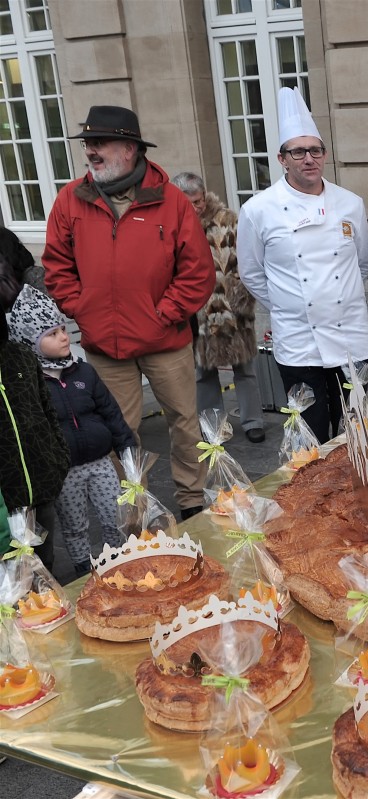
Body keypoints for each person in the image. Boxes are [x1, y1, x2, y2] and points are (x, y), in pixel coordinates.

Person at [42, 106, 215, 519]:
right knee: (119, 434)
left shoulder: (172, 200)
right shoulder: (71, 199)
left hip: (165, 340)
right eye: (87, 143)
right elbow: (56, 266)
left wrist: (163, 314)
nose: (91, 150)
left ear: (130, 148)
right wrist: (83, 310)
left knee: (184, 423)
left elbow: (198, 271)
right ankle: (134, 513)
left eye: (100, 142)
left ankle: (192, 500)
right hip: (105, 345)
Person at [238, 88, 368, 443]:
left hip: (350, 338)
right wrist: (290, 304)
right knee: (312, 432)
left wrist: (336, 299)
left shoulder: (351, 203)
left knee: (361, 428)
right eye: (298, 151)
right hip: (298, 343)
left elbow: (360, 263)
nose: (308, 158)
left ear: (325, 155)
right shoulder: (258, 210)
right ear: (282, 159)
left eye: (315, 150)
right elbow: (252, 273)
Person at [7, 286, 136, 577]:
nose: (64, 337)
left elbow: (110, 412)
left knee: (114, 516)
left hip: (101, 463)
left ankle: (120, 560)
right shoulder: (31, 383)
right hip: (65, 472)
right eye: (52, 334)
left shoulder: (84, 372)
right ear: (31, 341)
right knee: (75, 525)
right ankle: (83, 570)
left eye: (63, 329)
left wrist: (127, 447)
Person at [171, 172, 265, 443]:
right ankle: (214, 427)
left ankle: (253, 421)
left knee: (245, 367)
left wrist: (243, 301)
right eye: (189, 202)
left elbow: (250, 262)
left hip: (233, 307)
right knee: (203, 373)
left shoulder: (229, 220)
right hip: (196, 312)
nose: (195, 207)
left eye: (198, 201)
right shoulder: (171, 226)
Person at [0, 229, 69, 572]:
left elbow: (46, 412)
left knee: (46, 562)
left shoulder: (20, 359)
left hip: (40, 481)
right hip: (7, 495)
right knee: (14, 572)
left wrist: (55, 458)